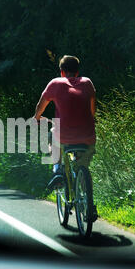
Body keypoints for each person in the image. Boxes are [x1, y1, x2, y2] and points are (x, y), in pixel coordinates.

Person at [33, 55, 96, 191]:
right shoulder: (87, 83)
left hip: (64, 136)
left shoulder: (55, 83)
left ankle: (58, 170)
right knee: (83, 166)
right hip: (88, 137)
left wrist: (36, 118)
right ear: (77, 71)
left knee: (52, 136)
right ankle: (86, 198)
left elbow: (40, 106)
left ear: (61, 71)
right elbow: (92, 111)